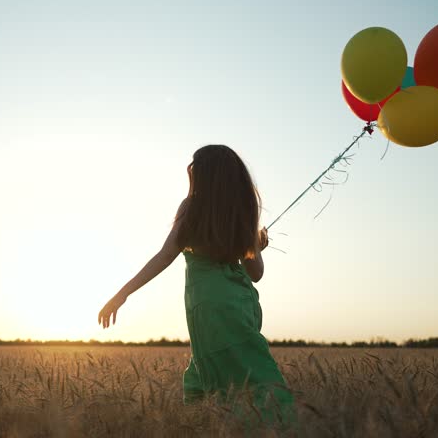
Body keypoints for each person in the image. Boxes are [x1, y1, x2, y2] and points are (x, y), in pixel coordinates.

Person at [97, 144, 295, 426]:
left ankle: (220, 428)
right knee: (252, 377)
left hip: (205, 306)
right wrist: (257, 245)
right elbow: (256, 273)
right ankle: (277, 427)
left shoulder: (191, 207)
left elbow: (165, 256)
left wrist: (122, 294)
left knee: (211, 377)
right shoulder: (242, 212)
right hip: (237, 304)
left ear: (202, 174)